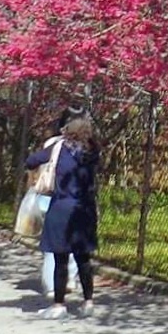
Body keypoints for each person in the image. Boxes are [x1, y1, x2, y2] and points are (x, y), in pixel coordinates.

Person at [23, 115, 99, 318]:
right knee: (84, 259)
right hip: (85, 209)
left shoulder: (59, 148)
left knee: (61, 258)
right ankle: (88, 302)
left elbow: (31, 161)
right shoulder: (92, 151)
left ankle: (58, 305)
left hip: (61, 208)